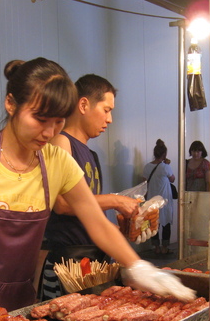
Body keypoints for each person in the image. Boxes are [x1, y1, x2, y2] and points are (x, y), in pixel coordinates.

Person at [0, 57, 194, 314]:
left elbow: (96, 222)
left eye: (58, 122)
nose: (49, 132)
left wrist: (139, 266)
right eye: (40, 119)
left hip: (15, 309)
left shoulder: (57, 162)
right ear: (10, 104)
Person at [41, 74, 140, 300]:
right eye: (106, 110)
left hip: (95, 262)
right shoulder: (61, 142)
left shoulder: (92, 155)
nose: (110, 119)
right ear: (83, 104)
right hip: (68, 265)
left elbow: (90, 214)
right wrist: (116, 200)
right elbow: (63, 204)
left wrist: (122, 232)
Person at [143, 139, 175, 255]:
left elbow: (144, 183)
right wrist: (167, 164)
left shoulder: (147, 167)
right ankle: (164, 248)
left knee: (154, 223)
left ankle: (156, 247)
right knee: (166, 223)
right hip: (165, 199)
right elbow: (172, 179)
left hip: (151, 199)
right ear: (164, 154)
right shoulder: (165, 167)